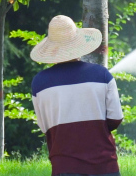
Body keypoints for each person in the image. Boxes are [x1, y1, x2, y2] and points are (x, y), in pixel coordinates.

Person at [30, 15, 123, 176]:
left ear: (52, 48)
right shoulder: (102, 75)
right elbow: (116, 118)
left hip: (64, 167)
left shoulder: (39, 83)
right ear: (78, 43)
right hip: (104, 166)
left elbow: (45, 127)